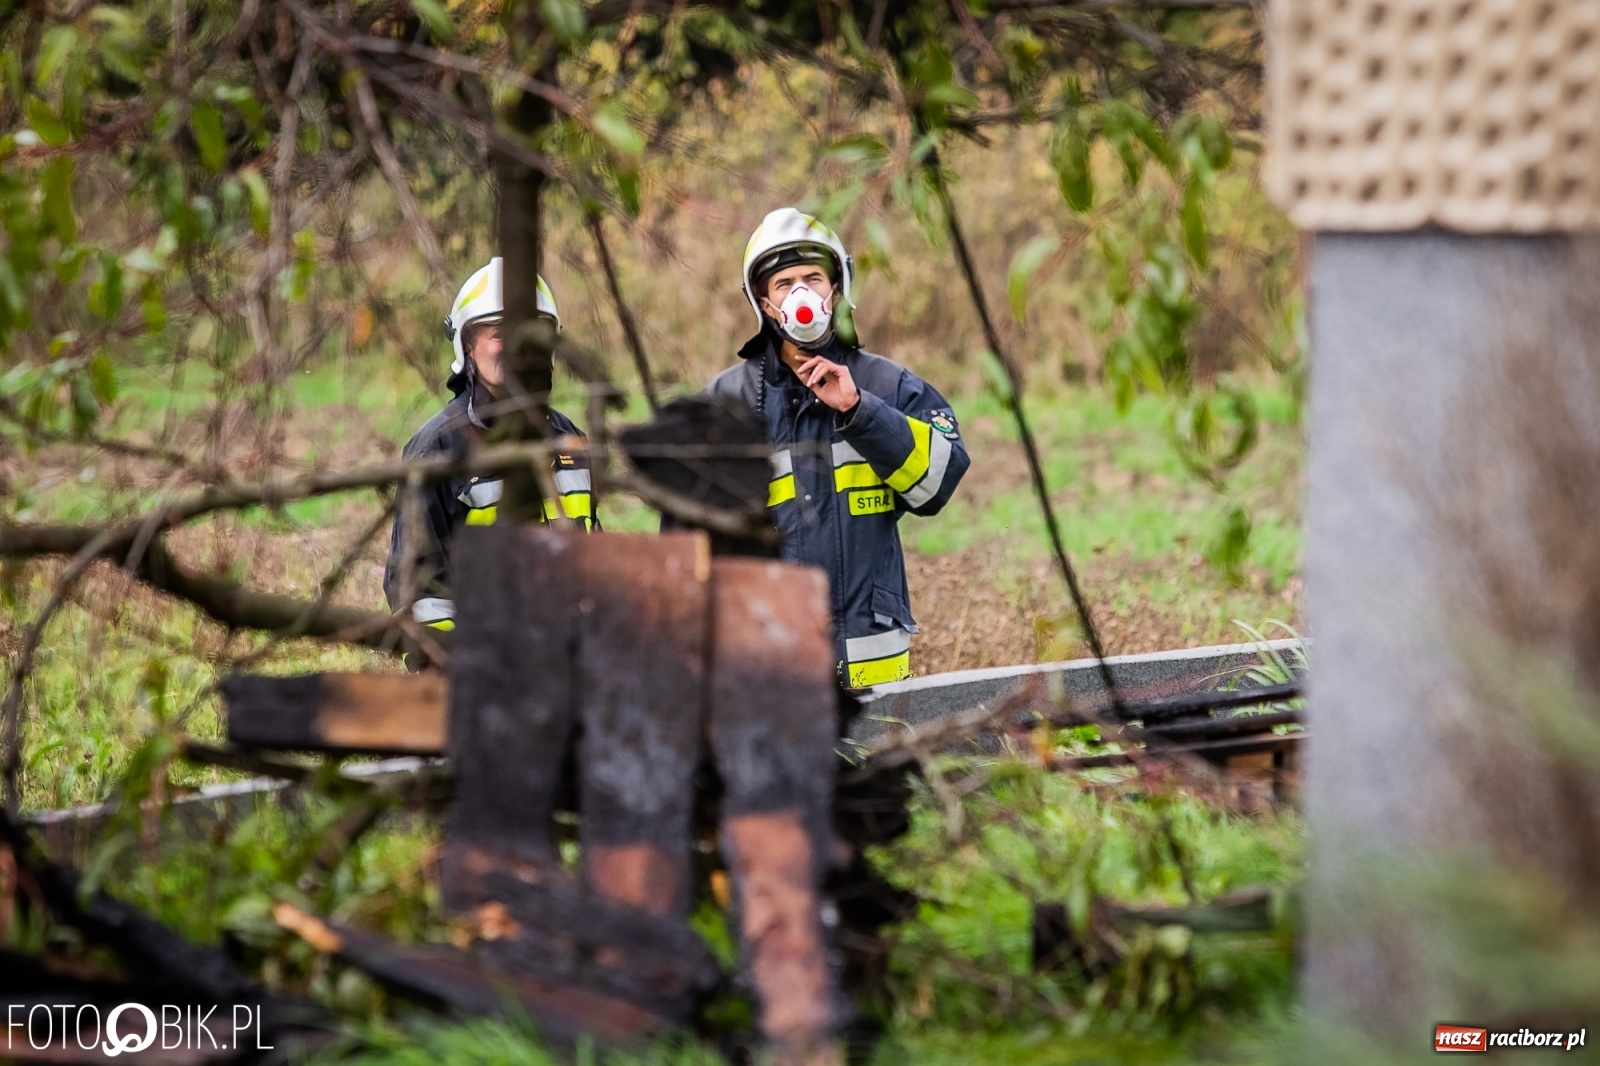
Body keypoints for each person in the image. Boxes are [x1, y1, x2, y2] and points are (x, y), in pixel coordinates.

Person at [704, 208, 970, 686]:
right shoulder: (727, 403)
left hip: (874, 664)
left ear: (836, 289)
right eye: (784, 284)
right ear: (764, 303)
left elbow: (938, 484)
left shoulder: (888, 386)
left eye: (813, 278)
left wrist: (859, 411)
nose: (801, 293)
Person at [383, 258, 595, 632]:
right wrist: (461, 667)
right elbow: (418, 594)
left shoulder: (569, 439)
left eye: (530, 332)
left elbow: (593, 558)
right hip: (479, 665)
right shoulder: (436, 450)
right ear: (467, 344)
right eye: (499, 332)